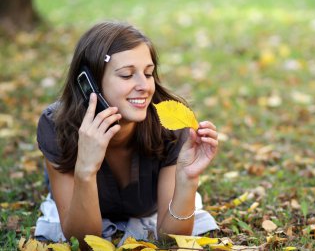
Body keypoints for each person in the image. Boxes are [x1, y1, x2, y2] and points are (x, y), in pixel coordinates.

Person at [34, 21, 219, 248]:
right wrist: (85, 170)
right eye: (126, 75)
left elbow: (170, 240)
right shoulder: (56, 126)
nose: (144, 86)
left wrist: (187, 180)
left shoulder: (171, 126)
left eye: (149, 73)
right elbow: (82, 242)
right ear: (89, 84)